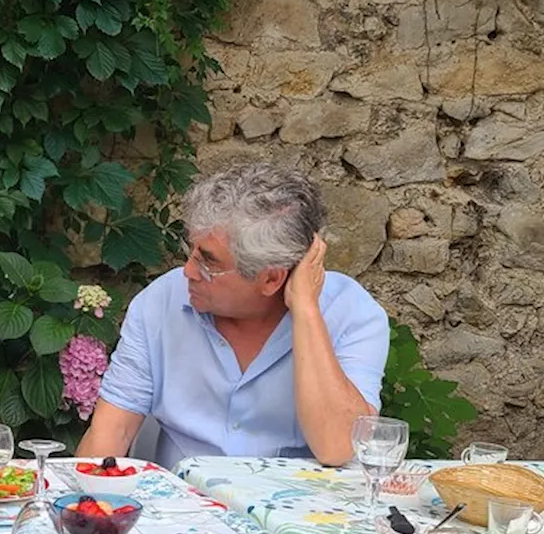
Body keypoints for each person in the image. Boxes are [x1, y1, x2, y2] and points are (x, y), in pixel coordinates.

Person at [77, 163, 389, 468]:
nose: (188, 271)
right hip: (182, 508)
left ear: (271, 279)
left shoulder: (351, 313)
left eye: (208, 262)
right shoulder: (162, 301)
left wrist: (306, 311)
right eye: (192, 251)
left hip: (299, 514)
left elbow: (338, 447)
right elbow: (110, 433)